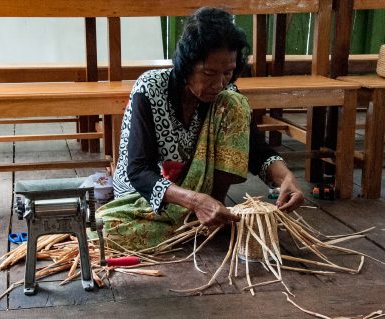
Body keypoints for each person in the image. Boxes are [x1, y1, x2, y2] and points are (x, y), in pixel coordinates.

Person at [97, 7, 304, 251]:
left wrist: (285, 177)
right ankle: (203, 215)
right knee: (105, 231)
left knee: (235, 102)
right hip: (145, 195)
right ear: (187, 64)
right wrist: (194, 200)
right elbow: (139, 170)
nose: (218, 84)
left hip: (198, 196)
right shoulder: (150, 89)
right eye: (208, 73)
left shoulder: (224, 97)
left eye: (228, 73)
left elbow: (258, 150)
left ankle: (213, 209)